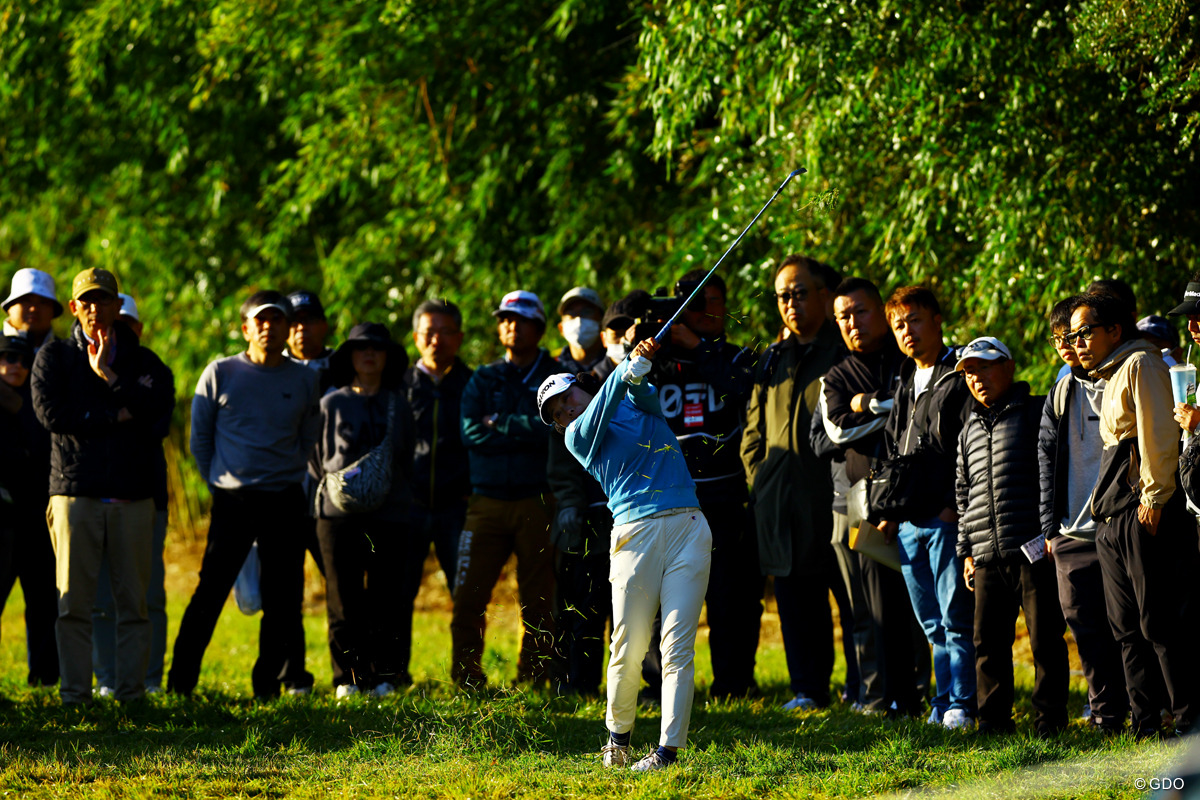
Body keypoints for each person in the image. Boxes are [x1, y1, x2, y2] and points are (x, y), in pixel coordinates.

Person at [538, 336, 711, 772]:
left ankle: (668, 752)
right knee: (628, 644)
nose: (566, 411)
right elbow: (602, 404)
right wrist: (624, 368)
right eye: (556, 413)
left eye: (567, 398)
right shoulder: (578, 437)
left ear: (582, 387)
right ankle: (617, 741)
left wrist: (639, 369)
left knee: (676, 646)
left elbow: (646, 398)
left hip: (689, 525)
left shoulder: (630, 403)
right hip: (636, 534)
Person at [31, 268, 174, 705]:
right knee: (74, 605)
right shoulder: (55, 357)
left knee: (134, 605)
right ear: (74, 308)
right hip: (74, 494)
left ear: (117, 305)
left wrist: (110, 377)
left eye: (104, 300)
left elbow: (157, 417)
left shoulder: (145, 362)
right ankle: (75, 695)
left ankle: (131, 695)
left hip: (133, 496)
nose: (95, 309)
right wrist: (116, 415)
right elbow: (53, 415)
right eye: (87, 301)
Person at [168, 290, 320, 699]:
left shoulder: (305, 379)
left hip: (284, 498)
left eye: (277, 320)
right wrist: (220, 482)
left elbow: (308, 436)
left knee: (283, 599)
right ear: (246, 329)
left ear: (288, 329)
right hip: (233, 501)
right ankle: (181, 684)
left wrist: (284, 472)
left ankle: (266, 686)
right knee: (210, 592)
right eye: (260, 320)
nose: (269, 327)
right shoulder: (220, 372)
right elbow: (200, 441)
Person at [1073, 290, 1197, 737]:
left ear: (1114, 330)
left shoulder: (1141, 364)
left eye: (1085, 332)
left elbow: (1157, 434)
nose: (1077, 342)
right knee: (1125, 628)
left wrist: (1155, 498)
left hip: (1140, 511)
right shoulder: (1113, 372)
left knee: (1159, 623)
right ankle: (1145, 723)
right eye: (1071, 336)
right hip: (1111, 517)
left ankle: (1188, 721)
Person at [643, 270, 762, 700]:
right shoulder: (658, 361)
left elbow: (743, 388)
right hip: (670, 499)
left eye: (715, 301)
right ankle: (660, 685)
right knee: (663, 598)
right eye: (696, 303)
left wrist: (699, 348)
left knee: (733, 596)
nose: (707, 311)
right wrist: (643, 350)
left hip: (726, 495)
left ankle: (733, 684)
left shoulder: (737, 357)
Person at [819, 277, 926, 717]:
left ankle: (920, 692)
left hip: (916, 498)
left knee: (919, 601)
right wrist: (891, 408)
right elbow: (836, 431)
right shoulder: (836, 376)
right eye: (843, 316)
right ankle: (878, 695)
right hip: (857, 502)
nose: (852, 323)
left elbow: (926, 415)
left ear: (881, 312)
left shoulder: (910, 360)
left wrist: (870, 404)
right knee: (866, 605)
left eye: (860, 312)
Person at [742, 255, 843, 711]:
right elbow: (753, 430)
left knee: (852, 601)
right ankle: (808, 689)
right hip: (779, 502)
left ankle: (869, 688)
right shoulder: (773, 357)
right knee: (794, 600)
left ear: (824, 295)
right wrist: (760, 479)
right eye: (783, 295)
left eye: (800, 293)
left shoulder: (843, 349)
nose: (791, 303)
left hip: (833, 499)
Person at [955, 336, 1068, 737]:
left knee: (1045, 639)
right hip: (986, 553)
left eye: (984, 367)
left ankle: (1049, 721)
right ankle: (993, 722)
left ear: (1008, 366)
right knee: (986, 643)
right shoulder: (968, 427)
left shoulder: (1038, 410)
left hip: (1032, 548)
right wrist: (966, 551)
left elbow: (1055, 473)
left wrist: (1050, 531)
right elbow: (963, 493)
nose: (977, 378)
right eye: (969, 372)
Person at [879, 286, 976, 729]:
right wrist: (888, 510)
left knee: (955, 618)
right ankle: (942, 703)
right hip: (906, 522)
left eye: (914, 320)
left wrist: (953, 507)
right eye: (899, 324)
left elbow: (967, 447)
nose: (907, 331)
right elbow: (892, 447)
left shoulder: (959, 374)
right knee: (931, 622)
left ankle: (963, 703)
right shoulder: (904, 378)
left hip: (943, 517)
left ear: (937, 320)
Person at [451, 290, 558, 687]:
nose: (512, 326)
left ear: (539, 328)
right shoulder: (483, 377)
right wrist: (528, 427)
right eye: (505, 320)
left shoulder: (556, 375)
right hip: (486, 502)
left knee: (540, 597)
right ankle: (466, 676)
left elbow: (555, 429)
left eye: (522, 320)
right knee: (469, 594)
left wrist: (501, 423)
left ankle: (533, 678)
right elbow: (470, 433)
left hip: (538, 500)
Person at [1037, 296, 1128, 734]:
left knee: (1129, 627)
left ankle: (1145, 712)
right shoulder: (1060, 391)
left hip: (1117, 526)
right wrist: (1049, 529)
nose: (1068, 346)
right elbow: (1044, 459)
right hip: (1070, 532)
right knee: (1085, 629)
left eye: (1075, 336)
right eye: (1059, 339)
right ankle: (1105, 715)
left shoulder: (1124, 379)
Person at [311, 323, 415, 697]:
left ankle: (385, 677)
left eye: (377, 348)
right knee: (343, 598)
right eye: (360, 348)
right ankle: (348, 679)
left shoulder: (400, 405)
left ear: (388, 357)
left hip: (390, 513)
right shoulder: (330, 404)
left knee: (388, 597)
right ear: (349, 357)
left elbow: (406, 456)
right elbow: (315, 458)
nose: (369, 354)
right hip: (337, 515)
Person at [91, 293, 173, 697]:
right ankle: (107, 678)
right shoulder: (79, 364)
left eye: (124, 323)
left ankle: (150, 678)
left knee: (148, 593)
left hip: (146, 495)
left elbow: (155, 424)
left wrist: (112, 381)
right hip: (94, 496)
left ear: (138, 328)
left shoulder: (153, 367)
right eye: (109, 322)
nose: (115, 331)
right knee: (101, 596)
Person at [546, 288, 614, 697]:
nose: (580, 321)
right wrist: (570, 503)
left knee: (624, 605)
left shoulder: (613, 374)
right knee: (577, 605)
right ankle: (575, 683)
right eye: (572, 314)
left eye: (589, 313)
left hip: (621, 510)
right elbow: (559, 455)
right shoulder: (554, 378)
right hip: (580, 514)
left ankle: (634, 687)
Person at [0, 333, 59, 688]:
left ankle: (45, 679)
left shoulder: (37, 403)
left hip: (35, 516)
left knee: (43, 601)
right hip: (2, 520)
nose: (16, 366)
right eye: (8, 358)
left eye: (24, 361)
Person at [404, 299, 472, 596]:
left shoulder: (473, 384)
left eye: (445, 332)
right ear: (416, 337)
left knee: (466, 594)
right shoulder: (400, 384)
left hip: (457, 507)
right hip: (409, 506)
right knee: (398, 594)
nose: (436, 340)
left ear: (459, 338)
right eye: (429, 332)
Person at [4, 267, 62, 351]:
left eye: (43, 302)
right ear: (9, 307)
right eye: (26, 300)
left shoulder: (68, 354)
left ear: (53, 311)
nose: (34, 309)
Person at [555, 287, 607, 374]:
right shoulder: (550, 369)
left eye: (587, 312)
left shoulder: (616, 363)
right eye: (571, 313)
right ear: (561, 328)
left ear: (602, 323)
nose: (579, 319)